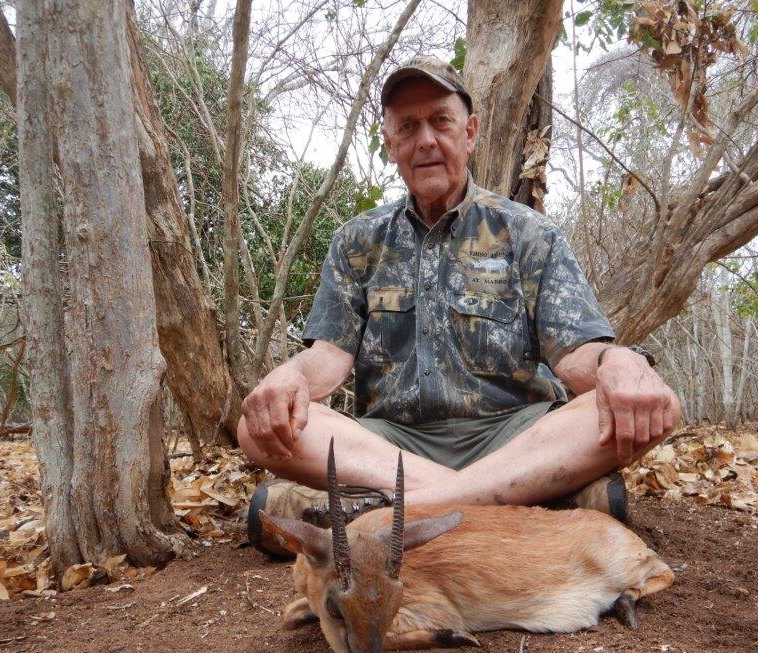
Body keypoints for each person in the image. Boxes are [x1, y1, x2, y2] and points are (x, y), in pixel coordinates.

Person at [238, 56, 681, 557]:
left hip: (516, 440)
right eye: (407, 127)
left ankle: (401, 512)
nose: (425, 139)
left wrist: (620, 361)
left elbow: (577, 357)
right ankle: (513, 504)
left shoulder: (529, 233)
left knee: (657, 407)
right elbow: (326, 358)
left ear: (469, 133)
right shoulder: (357, 241)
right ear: (390, 145)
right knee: (254, 429)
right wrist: (288, 378)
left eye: (440, 122)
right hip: (390, 446)